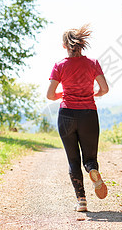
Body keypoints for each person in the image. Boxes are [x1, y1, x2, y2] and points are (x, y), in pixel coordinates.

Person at [46, 25, 109, 212]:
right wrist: (93, 94)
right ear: (81, 44)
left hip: (66, 114)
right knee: (89, 157)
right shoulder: (92, 63)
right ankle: (92, 170)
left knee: (73, 160)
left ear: (65, 45)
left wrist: (63, 94)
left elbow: (50, 95)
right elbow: (104, 89)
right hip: (88, 113)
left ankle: (81, 201)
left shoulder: (59, 65)